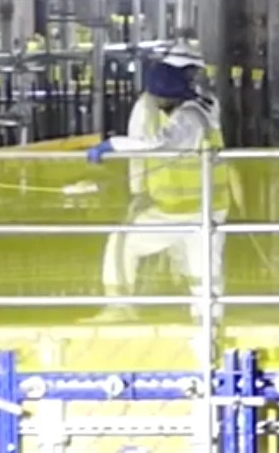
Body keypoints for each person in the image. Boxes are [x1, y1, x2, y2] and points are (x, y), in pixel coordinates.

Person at [89, 53, 221, 298]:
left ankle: (119, 309)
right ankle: (207, 326)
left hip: (189, 211)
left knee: (200, 270)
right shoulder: (204, 107)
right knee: (202, 271)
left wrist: (112, 145)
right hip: (192, 207)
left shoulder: (188, 117)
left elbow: (157, 144)